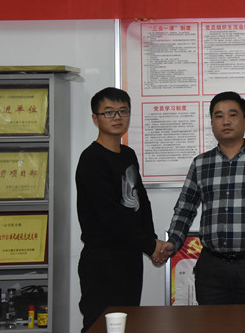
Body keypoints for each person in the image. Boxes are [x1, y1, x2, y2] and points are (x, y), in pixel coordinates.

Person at [163, 91, 245, 304]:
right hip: (211, 266)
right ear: (212, 123)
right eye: (219, 116)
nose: (226, 121)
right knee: (211, 322)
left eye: (232, 115)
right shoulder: (200, 163)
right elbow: (185, 210)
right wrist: (173, 242)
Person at [75, 87, 167, 333]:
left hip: (130, 257)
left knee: (127, 323)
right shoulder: (92, 159)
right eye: (109, 112)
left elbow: (141, 201)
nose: (117, 117)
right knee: (100, 325)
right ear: (95, 118)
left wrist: (151, 240)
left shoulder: (127, 154)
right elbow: (110, 215)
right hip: (103, 261)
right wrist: (149, 245)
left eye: (123, 111)